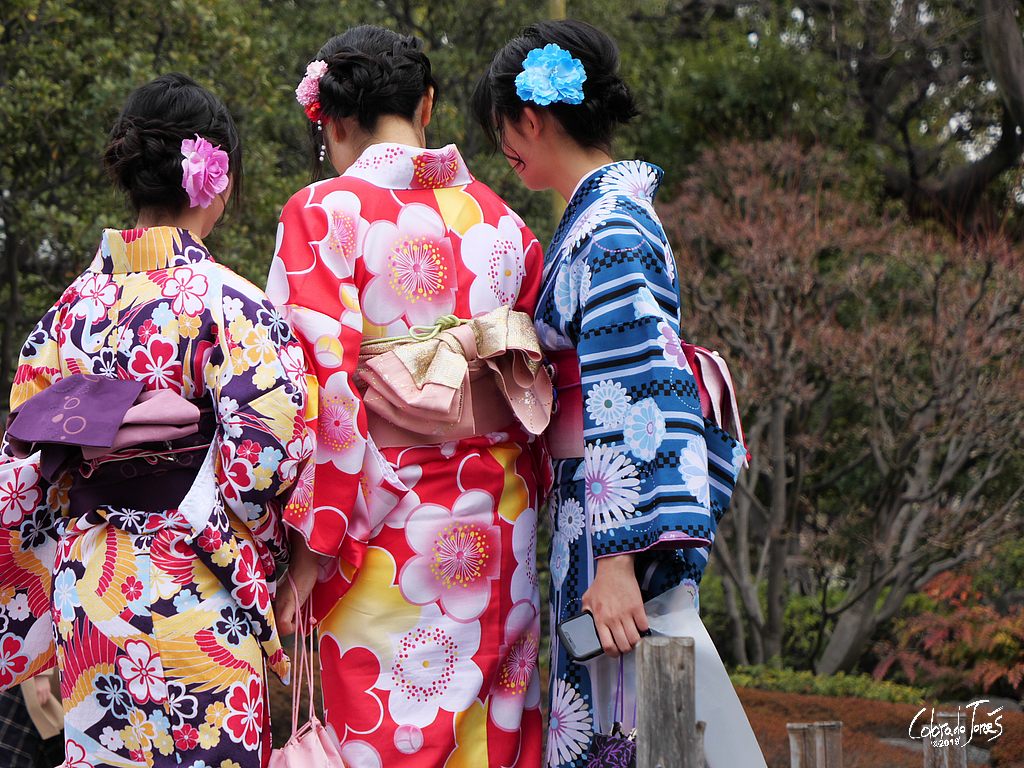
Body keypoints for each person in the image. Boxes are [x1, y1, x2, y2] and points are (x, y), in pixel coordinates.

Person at [473, 19, 766, 767]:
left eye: (503, 126)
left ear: (529, 118)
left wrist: (617, 562)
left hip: (610, 523)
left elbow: (633, 388)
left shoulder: (612, 227)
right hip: (591, 508)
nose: (503, 147)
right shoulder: (600, 218)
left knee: (622, 721)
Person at [0, 73, 311, 768]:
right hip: (197, 585)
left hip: (92, 595)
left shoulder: (66, 311)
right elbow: (266, 466)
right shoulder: (236, 306)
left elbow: (26, 450)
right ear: (218, 178)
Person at [268, 24, 551, 768]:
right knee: (491, 740)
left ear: (329, 117)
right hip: (498, 529)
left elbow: (322, 391)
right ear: (427, 105)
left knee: (385, 737)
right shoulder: (507, 226)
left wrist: (308, 549)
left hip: (380, 526)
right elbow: (532, 385)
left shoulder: (322, 212)